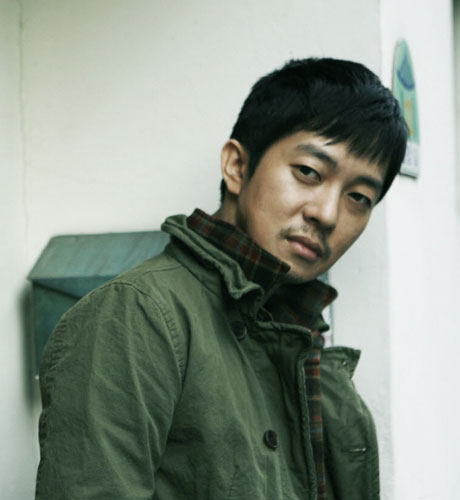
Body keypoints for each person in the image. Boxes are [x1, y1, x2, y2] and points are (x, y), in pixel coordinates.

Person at [35, 58, 407, 500]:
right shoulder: (139, 314)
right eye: (308, 172)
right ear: (236, 166)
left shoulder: (303, 339)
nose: (326, 213)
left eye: (359, 197)